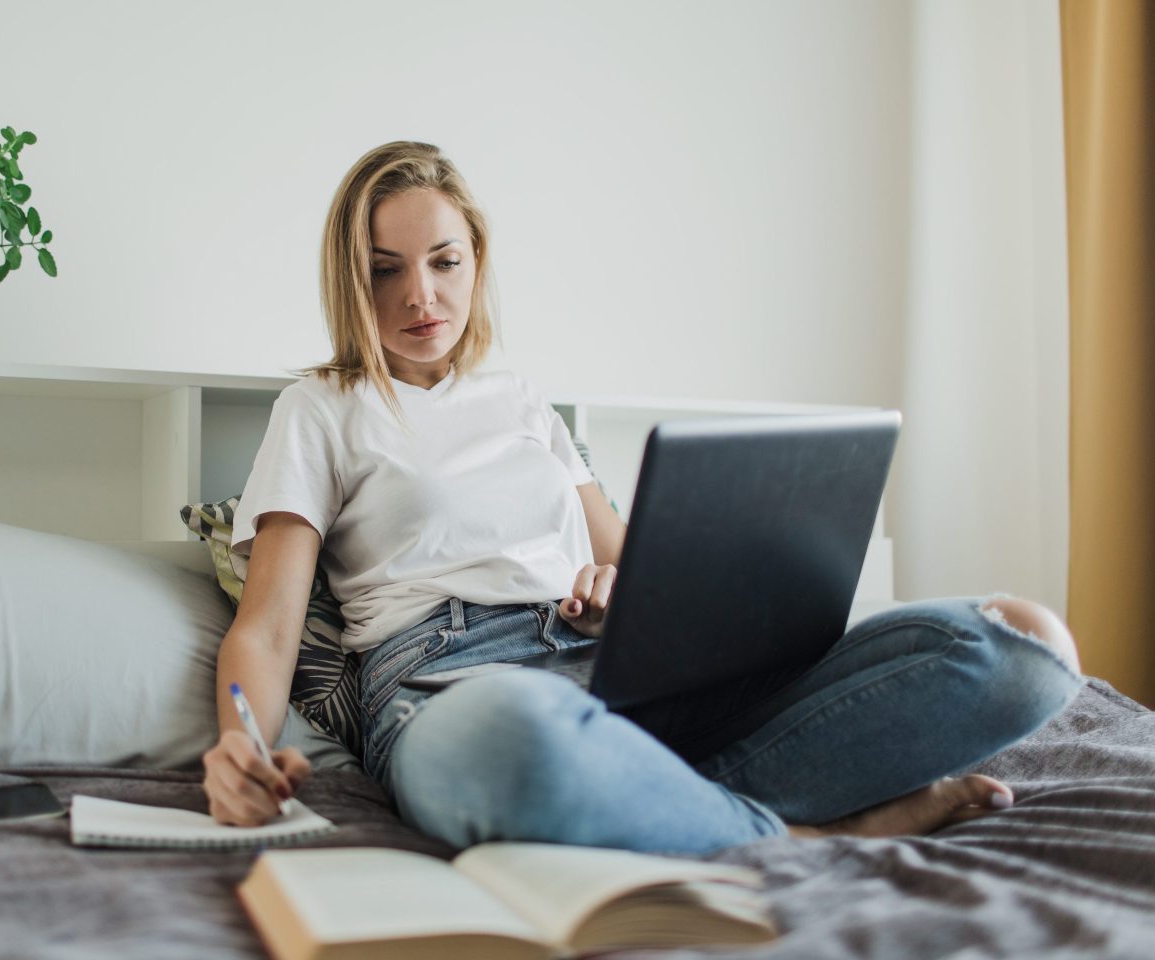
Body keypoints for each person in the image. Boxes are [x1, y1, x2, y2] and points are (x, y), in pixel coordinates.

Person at [200, 141, 1084, 853]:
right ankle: (801, 836)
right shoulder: (319, 410)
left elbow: (630, 567)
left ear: (478, 259)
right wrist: (236, 741)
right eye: (386, 270)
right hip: (454, 690)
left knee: (1022, 645)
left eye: (445, 261)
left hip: (611, 677)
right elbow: (270, 625)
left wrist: (619, 595)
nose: (422, 296)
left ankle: (670, 809)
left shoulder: (524, 406)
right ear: (351, 281)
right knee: (520, 737)